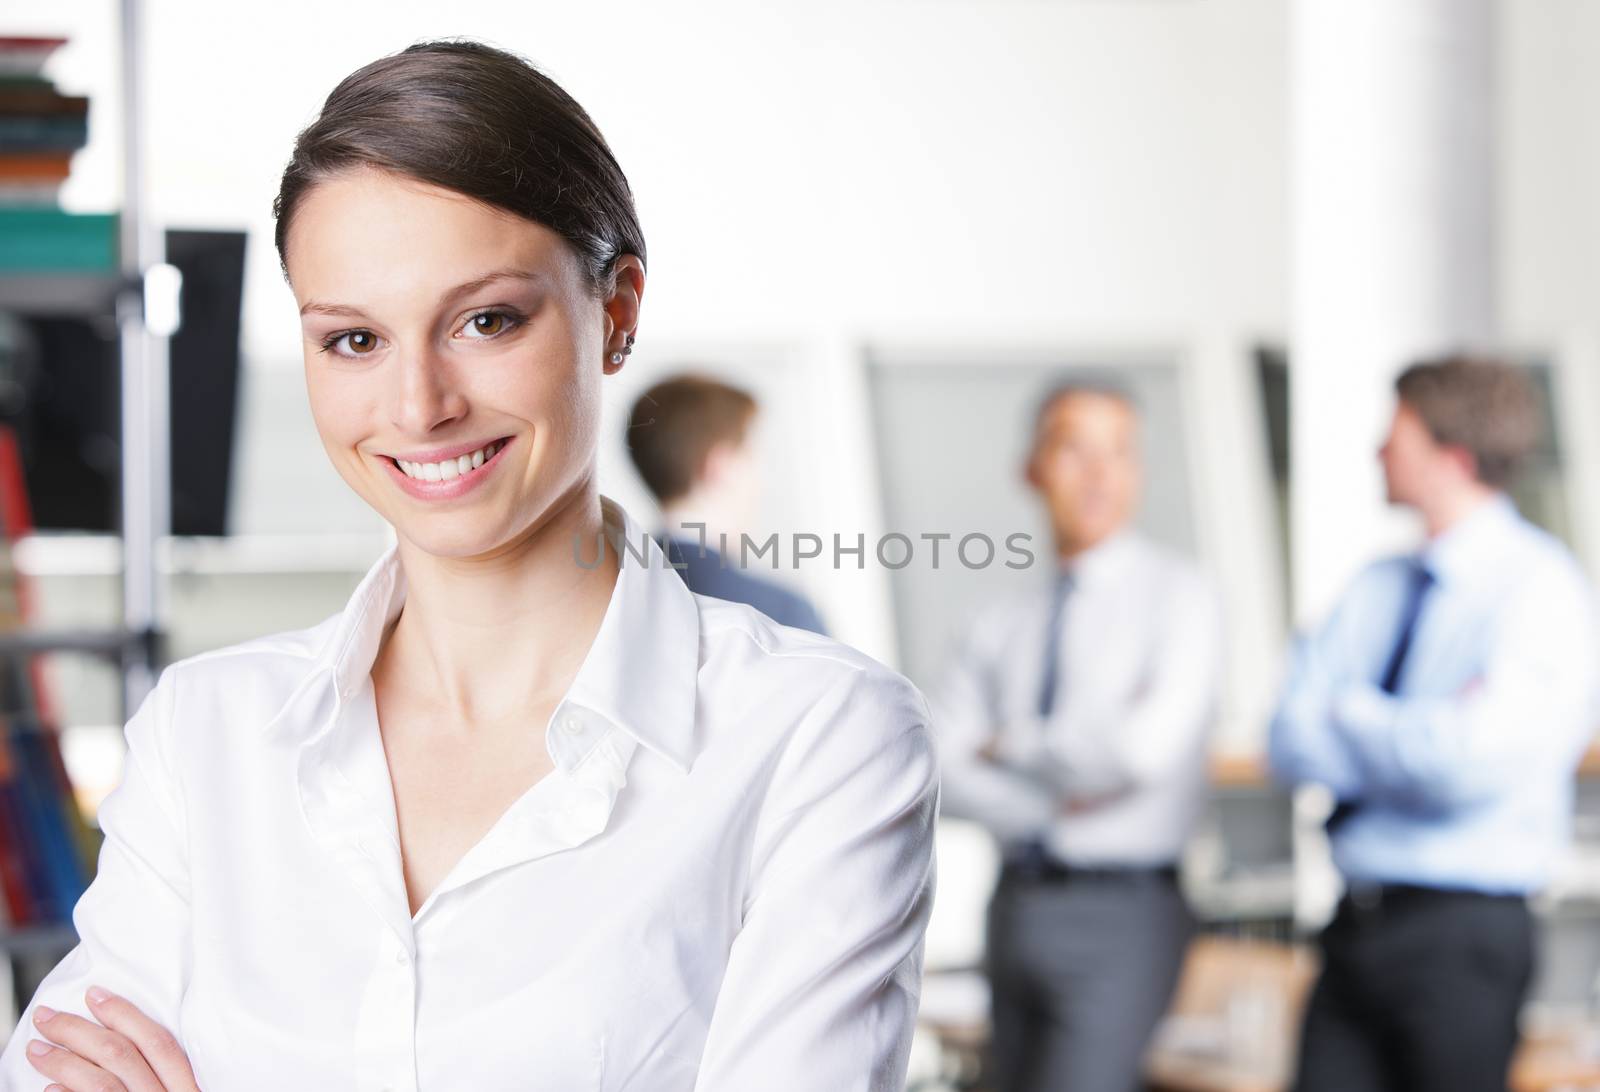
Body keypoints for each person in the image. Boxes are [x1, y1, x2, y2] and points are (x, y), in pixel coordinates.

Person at [1, 40, 938, 1091]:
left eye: (486, 320)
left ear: (616, 312)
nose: (417, 406)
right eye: (353, 341)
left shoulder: (814, 739)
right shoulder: (205, 736)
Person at [1269, 354, 1600, 1092]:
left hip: (1465, 938)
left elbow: (1464, 767)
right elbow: (1288, 739)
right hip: (1356, 927)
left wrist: (1350, 712)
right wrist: (1416, 731)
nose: (1377, 451)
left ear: (1452, 455)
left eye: (1398, 434)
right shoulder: (1375, 585)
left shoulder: (1539, 592)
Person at [930, 379, 1223, 1092]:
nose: (1099, 475)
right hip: (1016, 908)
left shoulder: (1180, 599)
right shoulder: (1001, 620)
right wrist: (1057, 803)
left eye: (1119, 453)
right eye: (1075, 450)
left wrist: (1015, 744)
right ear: (1032, 468)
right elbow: (941, 760)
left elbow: (1138, 752)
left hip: (1124, 915)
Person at [626, 374, 828, 634]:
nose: (762, 483)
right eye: (751, 457)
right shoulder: (781, 614)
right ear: (719, 468)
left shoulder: (613, 593)